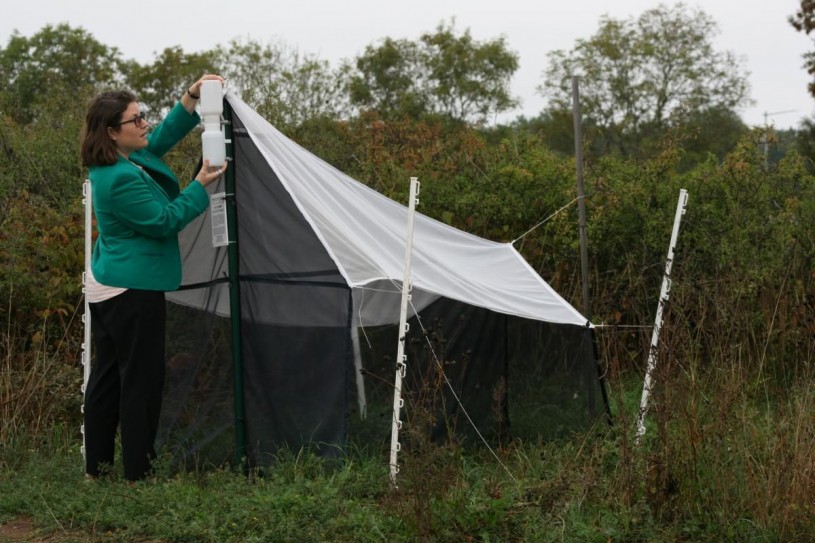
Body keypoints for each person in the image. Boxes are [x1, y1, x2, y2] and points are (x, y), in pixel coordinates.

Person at [80, 74, 227, 481]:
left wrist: (191, 99)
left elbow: (160, 138)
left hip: (112, 280)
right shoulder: (118, 178)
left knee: (109, 376)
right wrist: (199, 185)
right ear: (112, 132)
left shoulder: (120, 159)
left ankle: (98, 469)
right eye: (135, 119)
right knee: (140, 380)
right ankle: (137, 474)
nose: (144, 123)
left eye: (142, 115)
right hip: (131, 287)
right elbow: (164, 222)